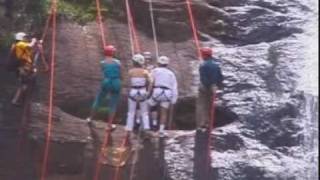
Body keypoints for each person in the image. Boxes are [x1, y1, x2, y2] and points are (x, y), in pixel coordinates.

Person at [86, 45, 122, 130]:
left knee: (98, 100)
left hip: (106, 81)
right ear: (112, 53)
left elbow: (103, 70)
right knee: (113, 104)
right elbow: (120, 72)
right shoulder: (118, 62)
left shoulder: (102, 63)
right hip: (116, 82)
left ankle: (90, 118)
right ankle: (109, 125)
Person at [10, 32, 47, 105]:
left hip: (24, 67)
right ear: (21, 38)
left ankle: (16, 100)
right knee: (27, 82)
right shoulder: (20, 44)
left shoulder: (20, 45)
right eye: (25, 37)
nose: (26, 39)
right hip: (23, 67)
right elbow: (30, 46)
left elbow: (31, 50)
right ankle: (17, 100)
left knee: (23, 85)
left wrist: (39, 43)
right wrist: (33, 40)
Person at [148, 56, 178, 137]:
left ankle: (153, 124)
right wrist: (173, 99)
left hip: (157, 92)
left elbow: (151, 82)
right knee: (164, 112)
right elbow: (174, 87)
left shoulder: (154, 71)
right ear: (167, 64)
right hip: (167, 93)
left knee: (150, 106)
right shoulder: (171, 73)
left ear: (158, 63)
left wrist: (148, 92)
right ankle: (161, 131)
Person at [196, 47, 223, 132]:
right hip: (213, 87)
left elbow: (203, 78)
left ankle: (201, 124)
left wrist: (207, 85)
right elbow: (220, 77)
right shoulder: (216, 65)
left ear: (204, 55)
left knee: (201, 105)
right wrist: (216, 86)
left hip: (204, 87)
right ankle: (209, 123)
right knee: (210, 105)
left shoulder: (203, 65)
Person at [125, 54, 153, 132]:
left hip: (133, 91)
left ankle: (129, 127)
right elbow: (151, 82)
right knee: (144, 112)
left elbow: (128, 83)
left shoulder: (131, 71)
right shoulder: (145, 72)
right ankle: (146, 127)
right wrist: (148, 92)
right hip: (143, 91)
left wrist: (128, 91)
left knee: (131, 112)